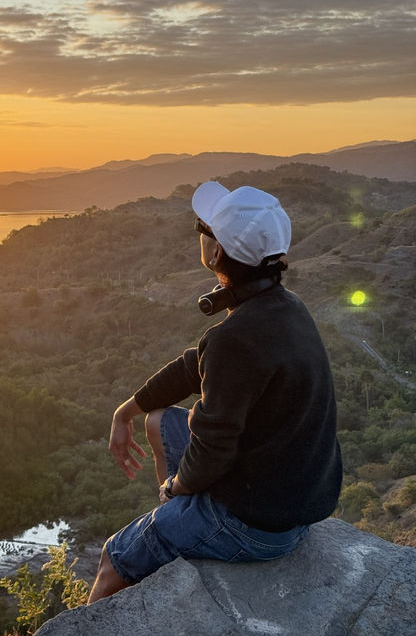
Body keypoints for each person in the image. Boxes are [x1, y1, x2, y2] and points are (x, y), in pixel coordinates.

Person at [88, 181, 342, 603]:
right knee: (157, 421)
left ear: (218, 252)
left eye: (202, 227)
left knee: (114, 559)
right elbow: (197, 364)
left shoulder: (238, 336)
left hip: (257, 523)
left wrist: (174, 490)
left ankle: (177, 534)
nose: (200, 235)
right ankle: (178, 532)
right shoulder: (285, 307)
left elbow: (211, 451)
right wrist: (126, 410)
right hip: (291, 501)